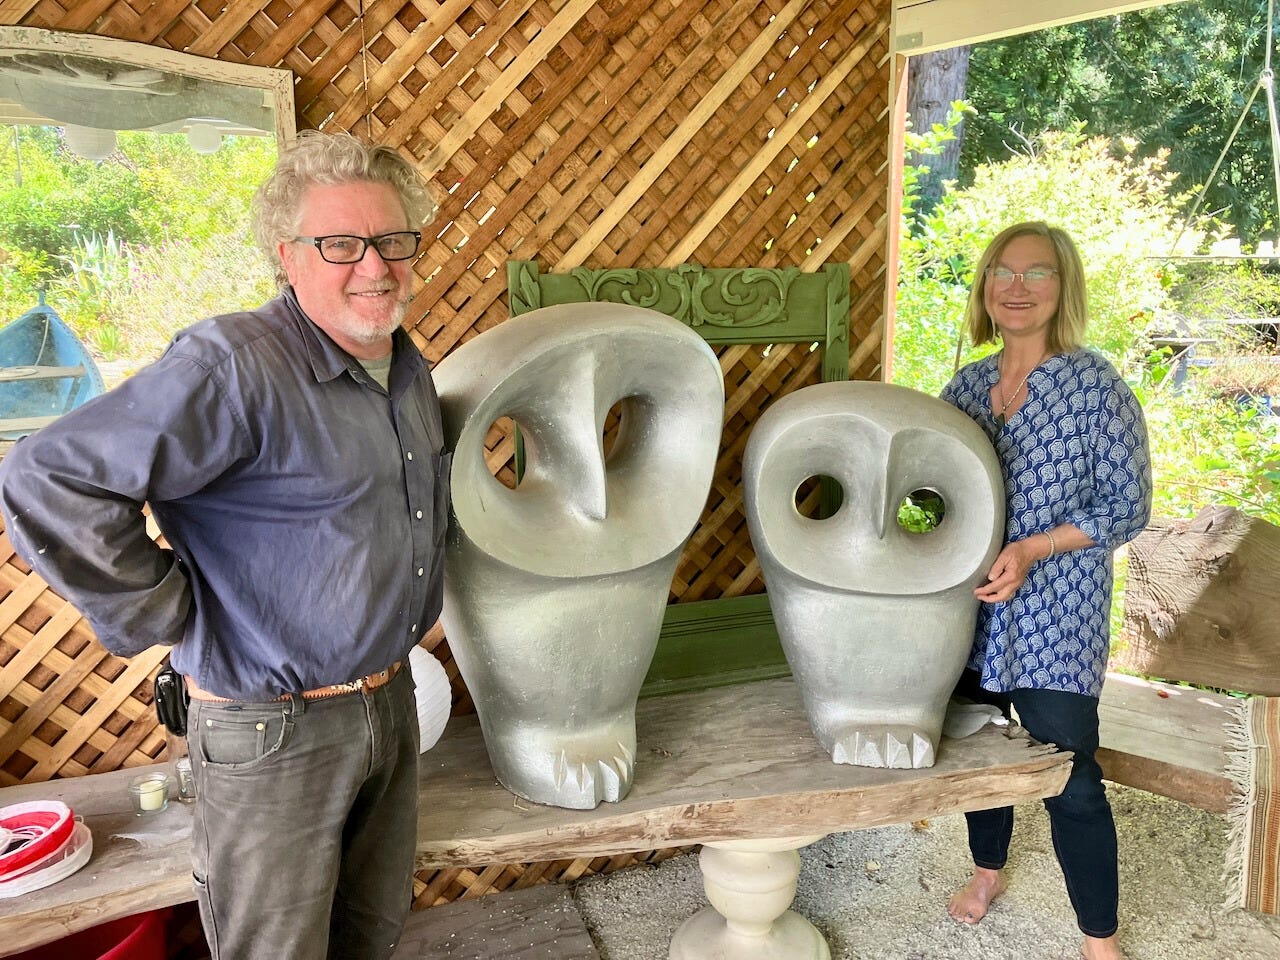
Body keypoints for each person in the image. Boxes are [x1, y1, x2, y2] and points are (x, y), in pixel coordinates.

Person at [0, 131, 450, 959]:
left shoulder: (406, 369)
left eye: (393, 240)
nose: (375, 265)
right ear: (287, 255)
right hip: (273, 730)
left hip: (389, 704)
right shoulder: (234, 367)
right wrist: (164, 610)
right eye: (341, 244)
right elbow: (49, 479)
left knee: (372, 936)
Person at [939, 222, 1151, 960]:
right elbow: (933, 484)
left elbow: (1128, 506)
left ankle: (1099, 937)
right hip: (973, 607)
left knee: (1072, 775)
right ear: (985, 288)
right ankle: (987, 870)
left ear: (1064, 288)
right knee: (980, 750)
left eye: (1037, 272)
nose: (1017, 286)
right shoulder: (966, 388)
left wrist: (1033, 547)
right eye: (1002, 271)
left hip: (1058, 613)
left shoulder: (1097, 388)